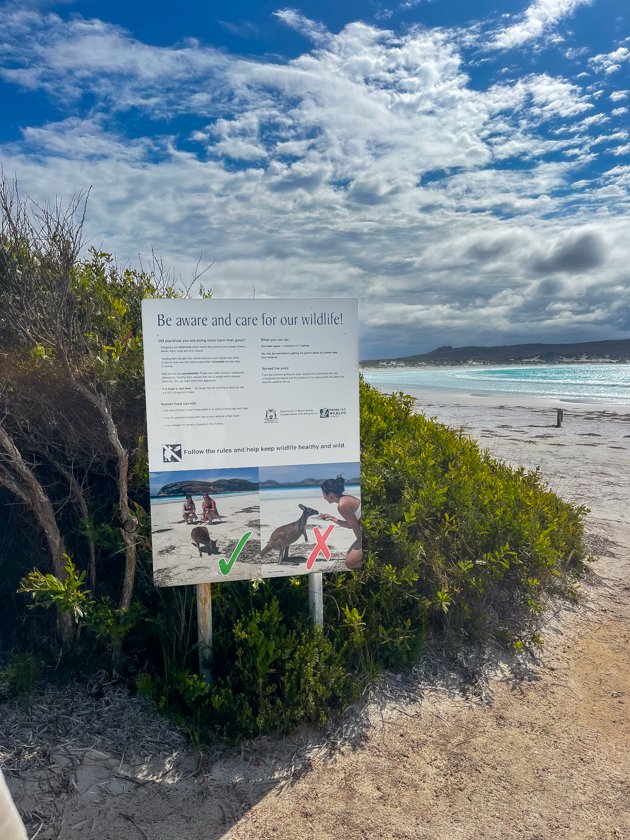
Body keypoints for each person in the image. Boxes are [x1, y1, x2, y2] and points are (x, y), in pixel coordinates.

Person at [319, 474, 363, 570]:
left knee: (350, 563)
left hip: (368, 533)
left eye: (323, 494)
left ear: (330, 494)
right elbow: (351, 525)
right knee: (348, 558)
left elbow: (355, 527)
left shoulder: (342, 505)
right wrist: (333, 518)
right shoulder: (345, 498)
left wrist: (361, 541)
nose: (323, 497)